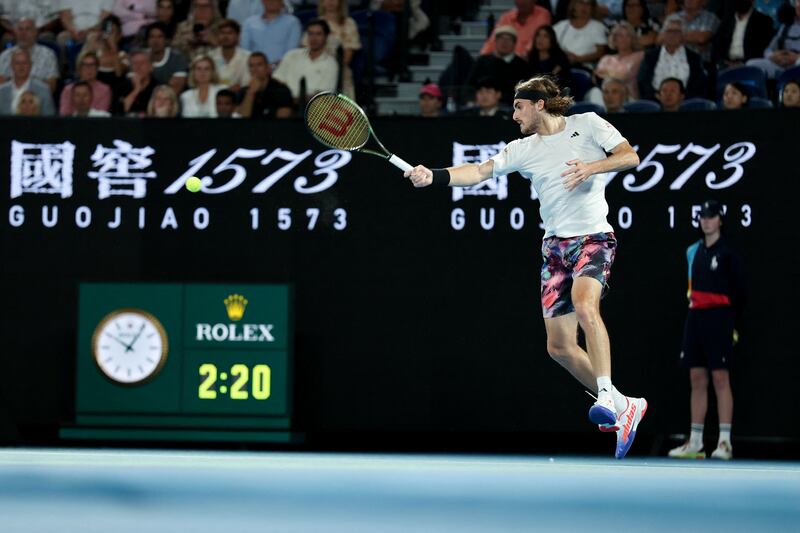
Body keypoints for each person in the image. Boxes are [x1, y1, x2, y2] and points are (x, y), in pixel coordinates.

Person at [404, 75, 647, 459]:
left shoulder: (589, 124)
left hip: (593, 238)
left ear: (538, 104)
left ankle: (604, 396)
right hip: (554, 248)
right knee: (560, 347)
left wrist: (592, 167)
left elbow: (630, 156)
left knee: (586, 306)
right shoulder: (522, 149)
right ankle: (623, 403)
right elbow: (480, 172)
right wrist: (433, 176)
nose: (513, 114)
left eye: (518, 106)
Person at [669, 200, 745, 461]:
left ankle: (724, 442)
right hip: (695, 317)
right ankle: (696, 442)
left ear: (720, 220)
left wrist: (734, 324)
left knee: (721, 379)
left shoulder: (728, 253)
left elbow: (739, 293)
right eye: (703, 216)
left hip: (720, 318)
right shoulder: (692, 251)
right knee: (696, 379)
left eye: (711, 216)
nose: (706, 220)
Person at [301, 0, 361, 99]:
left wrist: (329, 68)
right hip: (314, 70)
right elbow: (305, 51)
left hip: (339, 73)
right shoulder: (315, 24)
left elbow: (347, 56)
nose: (330, 2)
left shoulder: (349, 23)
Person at [637, 17, 707, 100]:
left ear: (683, 35)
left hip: (685, 104)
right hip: (655, 102)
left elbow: (698, 84)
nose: (672, 35)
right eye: (669, 31)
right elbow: (643, 81)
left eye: (677, 32)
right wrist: (657, 97)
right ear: (663, 34)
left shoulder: (694, 58)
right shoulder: (650, 56)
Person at [272, 19, 338, 104]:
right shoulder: (292, 55)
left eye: (318, 34)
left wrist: (299, 100)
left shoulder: (330, 64)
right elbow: (277, 79)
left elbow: (323, 95)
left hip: (311, 106)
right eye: (310, 34)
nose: (314, 38)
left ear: (326, 37)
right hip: (283, 102)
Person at [469, 26, 533, 106]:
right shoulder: (482, 61)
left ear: (514, 43)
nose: (504, 42)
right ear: (495, 42)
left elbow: (526, 92)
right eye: (501, 39)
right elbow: (470, 85)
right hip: (481, 105)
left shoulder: (522, 66)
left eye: (508, 39)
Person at [0, 18, 59, 93]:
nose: (23, 33)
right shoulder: (4, 56)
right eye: (20, 29)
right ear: (15, 32)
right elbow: (1, 86)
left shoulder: (48, 54)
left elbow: (51, 87)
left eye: (28, 29)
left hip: (37, 101)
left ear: (35, 32)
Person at [712, 0, 775, 69]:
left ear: (752, 1)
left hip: (750, 66)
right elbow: (716, 46)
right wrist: (723, 62)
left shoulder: (764, 21)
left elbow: (763, 50)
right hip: (726, 65)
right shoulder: (727, 21)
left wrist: (742, 63)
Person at [480, 0, 552, 58]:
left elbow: (534, 44)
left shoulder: (542, 14)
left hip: (530, 62)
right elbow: (493, 41)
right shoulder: (506, 17)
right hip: (505, 61)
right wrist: (482, 58)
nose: (522, 1)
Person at [746, 1, 800, 79]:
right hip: (783, 64)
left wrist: (797, 57)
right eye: (797, 2)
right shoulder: (786, 26)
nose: (798, 5)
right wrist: (773, 56)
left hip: (797, 63)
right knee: (751, 64)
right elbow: (768, 49)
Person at [240, 0, 301, 65]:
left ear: (282, 2)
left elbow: (291, 53)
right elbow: (244, 51)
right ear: (262, 1)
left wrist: (272, 67)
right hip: (253, 70)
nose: (271, 1)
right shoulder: (249, 23)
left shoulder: (292, 23)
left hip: (282, 70)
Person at [594, 21, 644, 99]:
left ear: (632, 39)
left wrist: (607, 73)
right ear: (614, 39)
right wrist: (617, 74)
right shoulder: (606, 58)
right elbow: (596, 77)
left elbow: (625, 75)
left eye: (628, 35)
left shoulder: (639, 55)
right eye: (620, 35)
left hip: (628, 96)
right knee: (595, 92)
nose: (624, 39)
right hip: (606, 95)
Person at [553, 0, 608, 71]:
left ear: (593, 8)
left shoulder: (598, 27)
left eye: (588, 4)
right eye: (581, 2)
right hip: (559, 66)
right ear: (573, 5)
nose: (584, 7)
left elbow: (601, 52)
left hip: (585, 68)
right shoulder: (560, 26)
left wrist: (578, 59)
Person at [235, 51, 293, 118]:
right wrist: (251, 92)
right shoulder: (243, 92)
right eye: (251, 66)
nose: (255, 69)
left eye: (259, 65)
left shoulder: (281, 90)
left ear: (267, 67)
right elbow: (241, 120)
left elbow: (283, 120)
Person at [0, 48, 55, 116]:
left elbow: (50, 119)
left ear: (30, 65)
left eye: (24, 63)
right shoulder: (1, 91)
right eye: (17, 63)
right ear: (12, 66)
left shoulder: (44, 90)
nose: (21, 67)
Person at [146, 21, 189, 95]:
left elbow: (176, 90)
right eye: (152, 37)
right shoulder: (141, 58)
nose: (155, 41)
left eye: (160, 37)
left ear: (166, 40)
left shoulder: (177, 59)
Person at [527, 25, 573, 92]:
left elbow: (563, 84)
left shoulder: (560, 60)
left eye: (545, 36)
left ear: (552, 40)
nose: (540, 39)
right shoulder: (531, 58)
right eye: (538, 35)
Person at [209, 18, 251, 91]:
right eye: (222, 33)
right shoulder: (210, 57)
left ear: (238, 36)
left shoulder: (247, 57)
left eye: (230, 33)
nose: (225, 37)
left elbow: (246, 84)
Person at [117, 49, 159, 115]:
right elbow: (120, 111)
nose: (138, 66)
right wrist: (137, 89)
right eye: (135, 63)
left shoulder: (159, 87)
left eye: (142, 63)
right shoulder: (121, 86)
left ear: (151, 67)